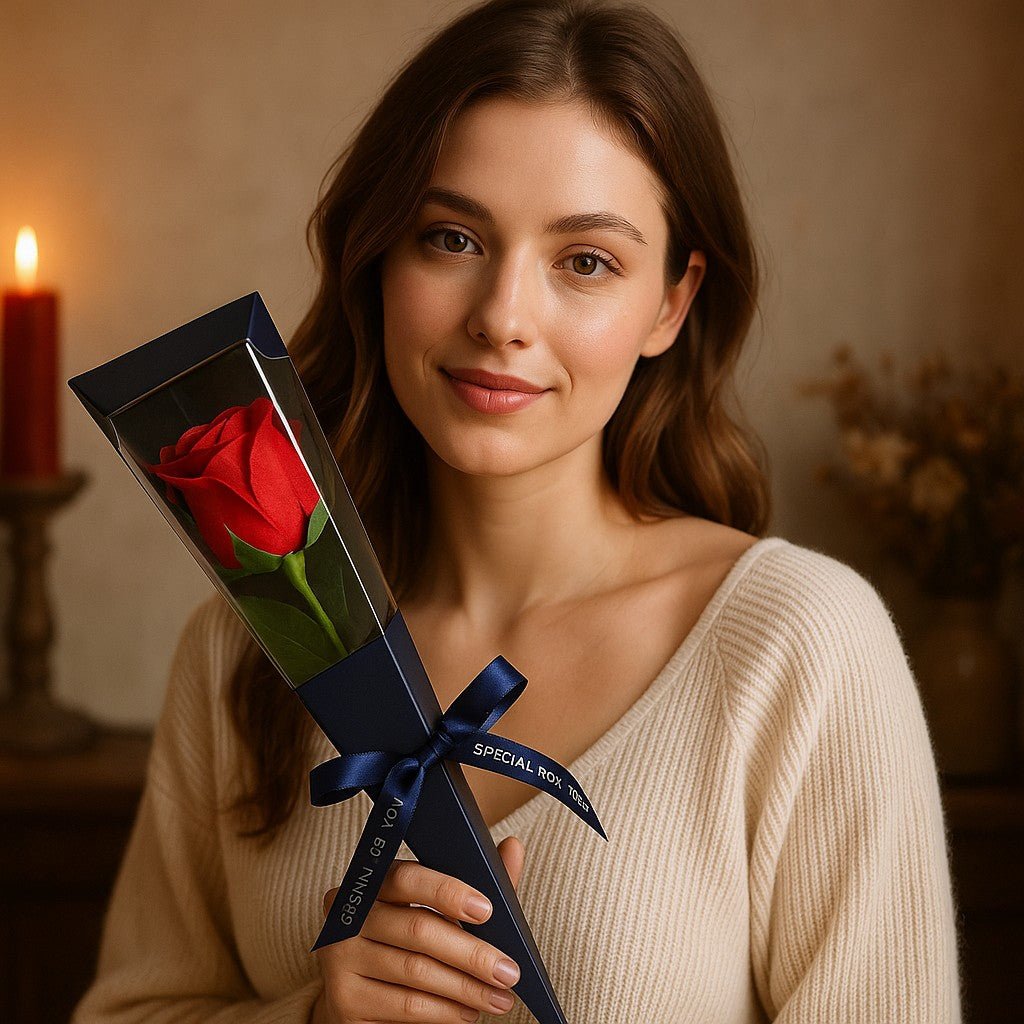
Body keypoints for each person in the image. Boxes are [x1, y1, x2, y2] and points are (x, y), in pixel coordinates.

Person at [72, 1, 963, 1022]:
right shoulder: (238, 651)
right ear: (379, 259)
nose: (501, 317)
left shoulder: (800, 646)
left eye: (584, 260)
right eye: (450, 238)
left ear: (671, 301)